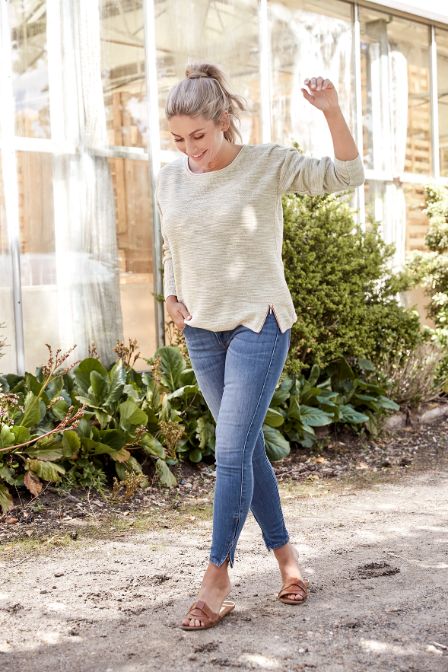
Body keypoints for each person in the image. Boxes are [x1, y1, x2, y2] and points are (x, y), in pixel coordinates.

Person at [156, 62, 364, 631]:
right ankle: (288, 561)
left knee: (229, 451)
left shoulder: (266, 164)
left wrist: (331, 112)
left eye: (199, 135)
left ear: (224, 120)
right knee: (244, 451)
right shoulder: (169, 178)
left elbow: (347, 176)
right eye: (178, 139)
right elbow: (172, 242)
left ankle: (216, 577)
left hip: (259, 323)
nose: (190, 149)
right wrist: (171, 293)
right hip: (202, 329)